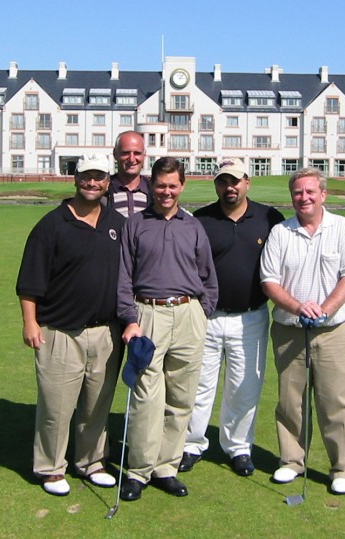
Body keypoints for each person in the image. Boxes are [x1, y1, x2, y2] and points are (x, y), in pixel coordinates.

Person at [15, 154, 126, 496]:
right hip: (60, 332)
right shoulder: (52, 225)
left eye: (99, 177)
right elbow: (30, 281)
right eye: (86, 177)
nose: (92, 183)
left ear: (108, 182)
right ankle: (51, 468)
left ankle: (92, 462)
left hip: (106, 332)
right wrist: (30, 323)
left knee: (97, 404)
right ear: (74, 179)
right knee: (56, 406)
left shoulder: (117, 223)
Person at [116, 156, 218, 501]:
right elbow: (124, 278)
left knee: (181, 397)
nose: (167, 191)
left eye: (173, 185)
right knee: (146, 396)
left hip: (188, 314)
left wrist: (201, 313)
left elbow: (208, 278)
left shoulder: (193, 226)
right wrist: (130, 318)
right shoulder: (136, 224)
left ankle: (166, 467)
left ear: (182, 186)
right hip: (148, 314)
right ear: (151, 186)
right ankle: (139, 471)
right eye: (160, 185)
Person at [259, 167, 345, 495]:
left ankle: (342, 467)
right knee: (291, 401)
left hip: (333, 331)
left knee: (337, 401)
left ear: (323, 195)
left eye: (309, 192)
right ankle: (291, 461)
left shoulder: (342, 228)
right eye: (297, 193)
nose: (303, 198)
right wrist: (296, 307)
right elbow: (269, 281)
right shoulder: (280, 232)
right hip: (290, 330)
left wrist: (325, 308)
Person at [179, 160, 284, 476]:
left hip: (251, 318)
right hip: (206, 316)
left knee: (244, 387)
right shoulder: (201, 220)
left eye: (235, 181)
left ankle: (238, 448)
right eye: (223, 182)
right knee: (199, 386)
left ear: (247, 182)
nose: (230, 187)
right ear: (216, 185)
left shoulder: (269, 218)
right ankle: (191, 444)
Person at [108, 130, 151, 217]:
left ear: (144, 155)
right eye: (126, 153)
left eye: (137, 153)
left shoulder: (154, 192)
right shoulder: (103, 191)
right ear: (115, 154)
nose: (131, 159)